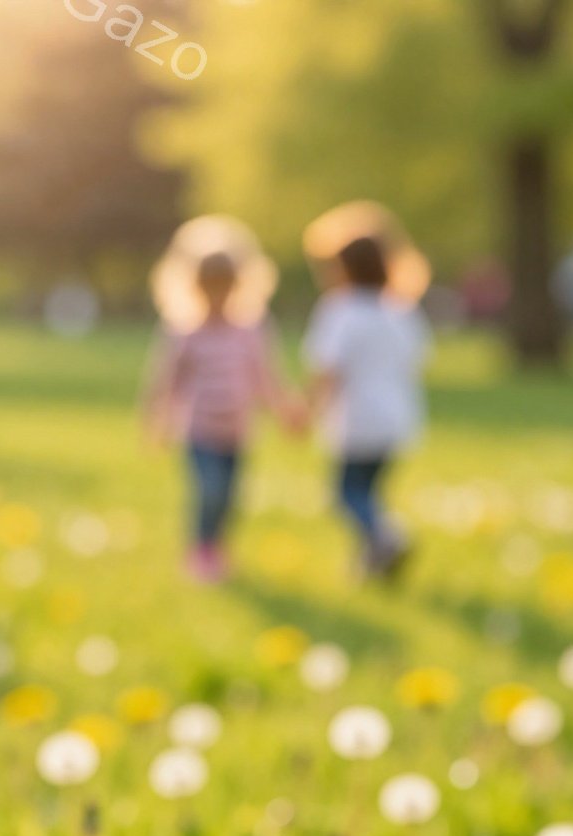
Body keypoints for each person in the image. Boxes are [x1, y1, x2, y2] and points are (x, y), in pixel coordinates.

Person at [145, 216, 299, 583]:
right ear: (193, 288)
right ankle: (200, 549)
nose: (217, 296)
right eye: (209, 288)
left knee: (231, 498)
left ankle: (217, 547)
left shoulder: (250, 330)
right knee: (210, 491)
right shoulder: (185, 330)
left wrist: (283, 408)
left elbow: (265, 376)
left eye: (224, 287)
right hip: (199, 429)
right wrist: (158, 421)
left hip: (237, 430)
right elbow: (167, 380)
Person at [302, 206, 431, 578]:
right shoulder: (401, 310)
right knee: (370, 492)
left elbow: (327, 370)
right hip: (397, 418)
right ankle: (372, 561)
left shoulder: (340, 311)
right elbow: (418, 357)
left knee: (346, 495)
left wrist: (308, 410)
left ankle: (387, 537)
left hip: (357, 419)